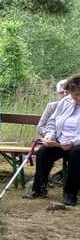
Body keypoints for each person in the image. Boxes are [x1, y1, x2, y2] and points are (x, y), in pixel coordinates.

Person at [25, 74, 80, 206]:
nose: (78, 98)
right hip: (60, 141)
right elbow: (52, 122)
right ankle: (39, 188)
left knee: (76, 154)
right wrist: (49, 135)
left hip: (77, 144)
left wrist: (73, 143)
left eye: (79, 94)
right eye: (75, 95)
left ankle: (70, 194)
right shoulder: (65, 101)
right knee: (43, 151)